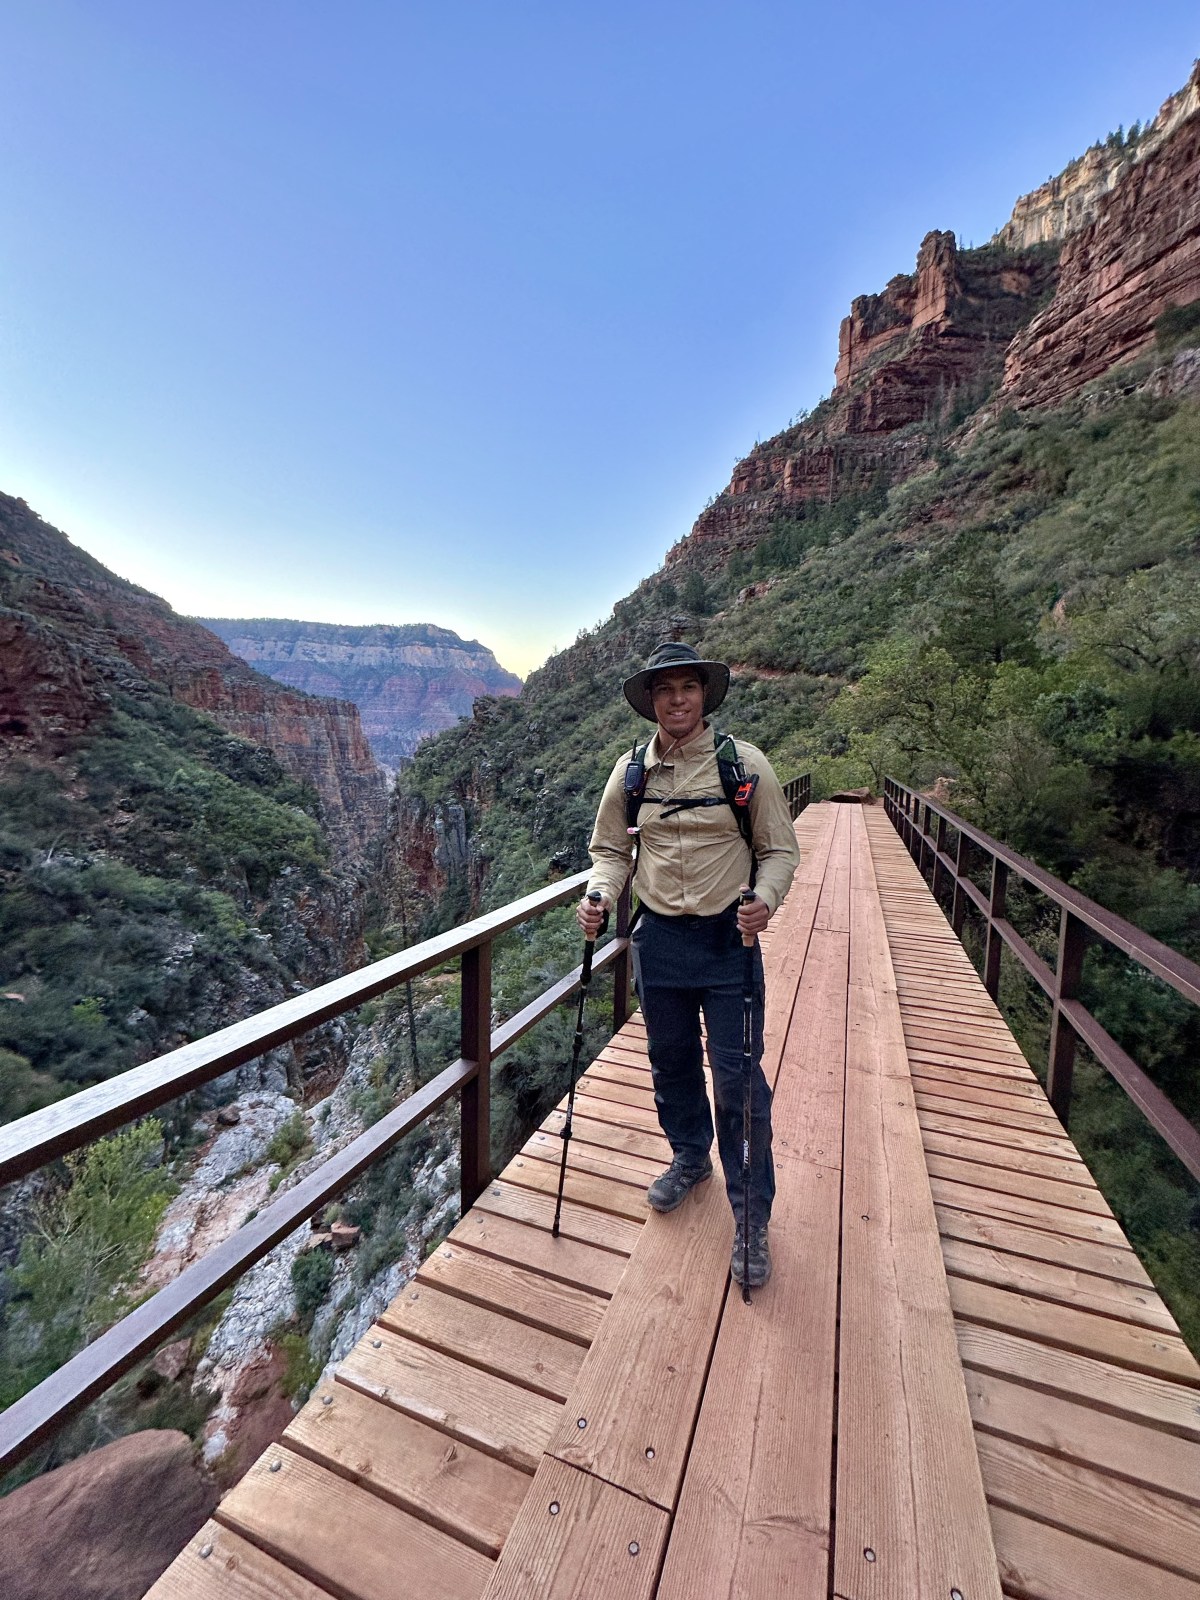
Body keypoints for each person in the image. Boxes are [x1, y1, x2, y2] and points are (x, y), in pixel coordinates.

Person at [576, 641, 800, 1286]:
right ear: (651, 702)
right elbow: (611, 852)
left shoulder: (743, 766)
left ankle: (752, 1217)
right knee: (670, 1063)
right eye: (665, 689)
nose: (677, 699)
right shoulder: (629, 776)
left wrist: (765, 898)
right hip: (661, 945)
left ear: (704, 696)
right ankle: (690, 1157)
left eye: (688, 688)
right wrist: (599, 896)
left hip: (730, 942)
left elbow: (779, 850)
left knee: (737, 1080)